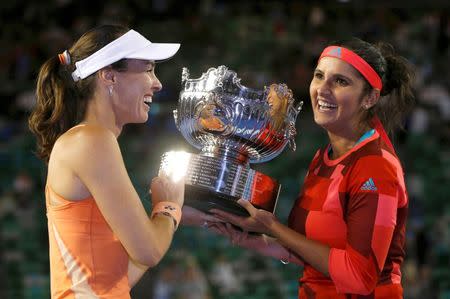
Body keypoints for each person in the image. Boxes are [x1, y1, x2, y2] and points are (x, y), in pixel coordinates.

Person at [210, 38, 415, 298]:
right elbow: (316, 254)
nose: (323, 89)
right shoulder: (324, 157)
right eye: (319, 76)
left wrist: (274, 227)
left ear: (370, 98)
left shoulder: (375, 167)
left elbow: (359, 278)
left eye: (341, 81)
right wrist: (253, 239)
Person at [28, 24, 185, 298]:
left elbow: (112, 280)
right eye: (148, 69)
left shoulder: (88, 141)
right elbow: (148, 251)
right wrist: (169, 208)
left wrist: (169, 217)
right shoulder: (92, 140)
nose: (157, 83)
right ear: (109, 76)